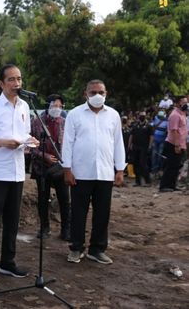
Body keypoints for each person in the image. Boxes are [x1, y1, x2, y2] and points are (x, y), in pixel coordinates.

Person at [0, 64, 39, 282]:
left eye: (19, 79)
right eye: (11, 79)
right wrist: (4, 142)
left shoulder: (23, 107)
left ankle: (7, 263)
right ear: (1, 83)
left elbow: (24, 133)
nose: (17, 84)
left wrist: (29, 142)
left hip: (17, 172)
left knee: (12, 220)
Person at [62, 79, 125, 265]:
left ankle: (97, 249)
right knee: (79, 212)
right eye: (93, 92)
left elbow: (118, 143)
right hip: (80, 172)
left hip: (105, 172)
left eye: (101, 92)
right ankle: (76, 248)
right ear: (85, 94)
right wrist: (67, 169)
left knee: (102, 213)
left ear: (107, 94)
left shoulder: (113, 115)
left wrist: (120, 169)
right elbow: (68, 143)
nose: (97, 96)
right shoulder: (75, 115)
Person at [30, 94, 70, 241]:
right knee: (42, 199)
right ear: (47, 106)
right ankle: (44, 228)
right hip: (41, 167)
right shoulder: (36, 122)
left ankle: (66, 230)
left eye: (60, 106)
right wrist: (43, 155)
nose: (57, 109)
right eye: (54, 106)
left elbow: (70, 144)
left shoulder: (65, 123)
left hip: (60, 167)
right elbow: (30, 145)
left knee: (64, 199)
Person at [159, 96, 188, 192]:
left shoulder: (183, 114)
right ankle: (164, 186)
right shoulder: (175, 115)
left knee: (176, 166)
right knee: (171, 166)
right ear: (177, 103)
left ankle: (172, 185)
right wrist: (176, 145)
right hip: (173, 144)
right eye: (183, 102)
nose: (186, 104)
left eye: (186, 102)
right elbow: (174, 131)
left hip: (181, 143)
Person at [128, 111, 153, 186]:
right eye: (140, 115)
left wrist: (150, 146)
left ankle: (147, 181)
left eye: (143, 115)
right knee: (135, 164)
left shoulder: (149, 126)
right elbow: (131, 135)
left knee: (143, 164)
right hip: (135, 146)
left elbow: (151, 137)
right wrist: (129, 145)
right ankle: (137, 181)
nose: (142, 117)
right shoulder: (135, 125)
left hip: (144, 147)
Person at [150, 109, 168, 176]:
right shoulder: (156, 118)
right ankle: (153, 169)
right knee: (154, 155)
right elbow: (152, 125)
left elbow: (167, 130)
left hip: (162, 140)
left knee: (160, 155)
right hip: (155, 139)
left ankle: (159, 169)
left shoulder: (167, 120)